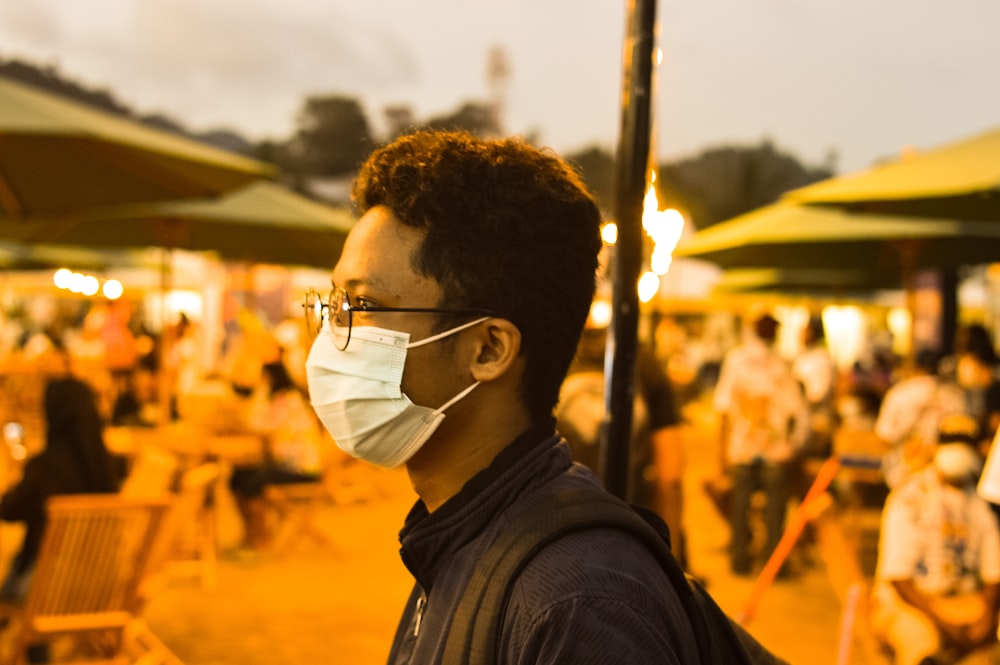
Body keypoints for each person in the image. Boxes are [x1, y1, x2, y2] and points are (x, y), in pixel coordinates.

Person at [304, 131, 751, 663]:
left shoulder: (577, 604)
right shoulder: (460, 531)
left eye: (363, 303)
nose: (335, 331)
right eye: (333, 302)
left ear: (489, 349)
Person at [0, 377, 121, 662]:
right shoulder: (105, 465)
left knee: (20, 576)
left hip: (48, 589)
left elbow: (7, 510)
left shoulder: (46, 467)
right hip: (96, 584)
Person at [557, 313, 691, 568]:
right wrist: (671, 562)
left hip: (554, 533)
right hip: (632, 531)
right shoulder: (644, 362)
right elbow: (670, 476)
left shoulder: (547, 355)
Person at [871, 413, 1000, 665]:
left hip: (962, 602)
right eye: (952, 444)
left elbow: (993, 573)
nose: (959, 453)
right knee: (921, 644)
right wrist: (943, 624)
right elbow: (898, 579)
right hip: (909, 605)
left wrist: (985, 622)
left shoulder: (981, 504)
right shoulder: (910, 498)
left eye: (965, 445)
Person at [713, 311, 808, 576]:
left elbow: (723, 408)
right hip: (774, 452)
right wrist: (792, 446)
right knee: (773, 510)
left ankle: (740, 560)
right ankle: (772, 564)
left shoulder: (736, 360)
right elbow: (796, 412)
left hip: (743, 450)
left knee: (741, 506)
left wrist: (721, 453)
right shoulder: (781, 365)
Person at [228, 359, 324, 552]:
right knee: (237, 478)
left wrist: (260, 393)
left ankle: (260, 536)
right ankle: (252, 534)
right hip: (288, 463)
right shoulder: (283, 398)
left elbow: (257, 424)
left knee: (250, 482)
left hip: (300, 468)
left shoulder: (287, 400)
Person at [874, 348, 967, 490]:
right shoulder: (954, 395)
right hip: (945, 473)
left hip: (904, 469)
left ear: (915, 368)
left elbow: (884, 436)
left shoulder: (899, 393)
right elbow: (963, 435)